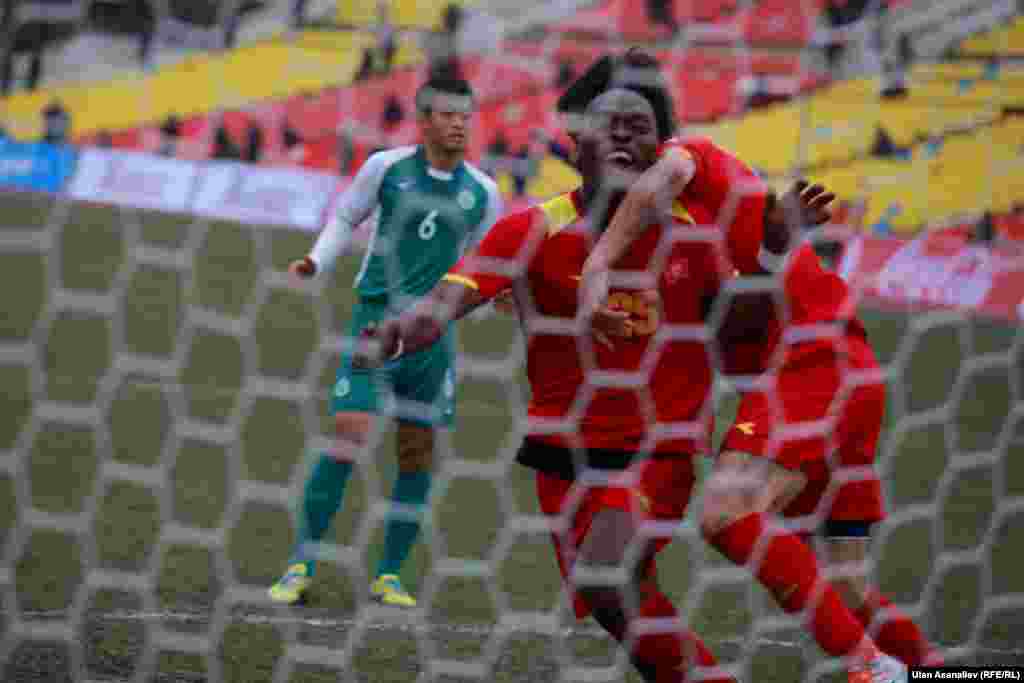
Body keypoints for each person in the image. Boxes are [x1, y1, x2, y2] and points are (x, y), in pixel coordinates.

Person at [576, 52, 940, 682]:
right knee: (846, 586)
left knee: (727, 512)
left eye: (634, 125)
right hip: (843, 372)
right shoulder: (678, 234)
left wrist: (596, 266)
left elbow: (665, 178)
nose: (621, 140)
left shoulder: (686, 159)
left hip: (813, 360)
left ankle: (870, 669)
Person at [354, 84, 737, 683]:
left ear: (664, 149)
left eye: (639, 128)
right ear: (574, 146)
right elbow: (445, 303)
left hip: (658, 449)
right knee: (621, 603)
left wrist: (776, 247)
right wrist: (399, 332)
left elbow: (750, 325)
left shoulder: (700, 234)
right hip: (564, 456)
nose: (623, 137)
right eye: (608, 126)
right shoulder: (533, 229)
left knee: (606, 578)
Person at [267, 75, 502, 608]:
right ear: (424, 120)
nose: (459, 124)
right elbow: (347, 215)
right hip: (375, 322)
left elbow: (484, 262)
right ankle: (300, 564)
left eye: (465, 115)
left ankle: (390, 575)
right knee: (348, 434)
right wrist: (316, 260)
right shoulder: (386, 168)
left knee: (416, 451)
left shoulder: (484, 192)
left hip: (432, 334)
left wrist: (495, 299)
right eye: (447, 115)